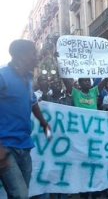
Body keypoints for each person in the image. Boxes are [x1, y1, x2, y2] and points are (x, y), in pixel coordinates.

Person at [0, 39, 50, 198]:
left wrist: (44, 123)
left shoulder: (28, 79)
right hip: (6, 148)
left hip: (25, 146)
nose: (36, 57)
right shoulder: (2, 77)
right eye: (33, 53)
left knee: (20, 194)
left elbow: (33, 102)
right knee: (20, 195)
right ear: (20, 55)